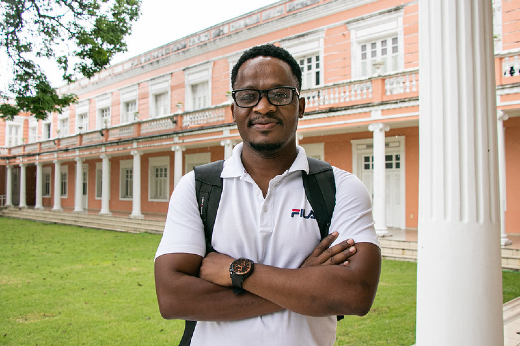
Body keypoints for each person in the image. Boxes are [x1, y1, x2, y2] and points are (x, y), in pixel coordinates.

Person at [154, 44, 381, 346]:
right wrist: (303, 282)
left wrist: (238, 272)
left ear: (300, 105)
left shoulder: (340, 188)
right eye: (248, 96)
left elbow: (355, 294)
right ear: (233, 109)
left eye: (280, 94)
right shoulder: (198, 187)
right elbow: (173, 299)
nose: (263, 107)